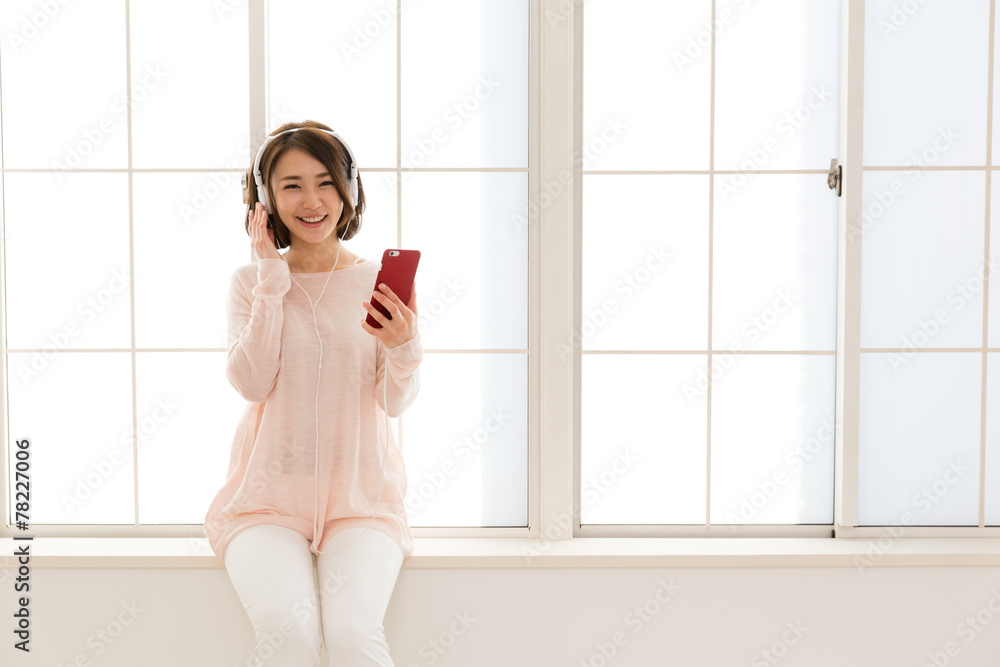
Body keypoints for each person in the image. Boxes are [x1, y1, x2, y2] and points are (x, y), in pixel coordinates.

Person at [203, 120, 423, 666]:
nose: (312, 201)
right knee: (287, 636)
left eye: (325, 182)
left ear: (348, 190)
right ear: (266, 200)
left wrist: (404, 347)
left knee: (353, 633)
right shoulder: (249, 283)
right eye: (291, 185)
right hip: (267, 503)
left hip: (362, 500)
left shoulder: (380, 281)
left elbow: (394, 402)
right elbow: (252, 382)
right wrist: (271, 281)